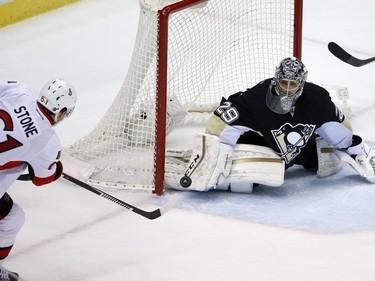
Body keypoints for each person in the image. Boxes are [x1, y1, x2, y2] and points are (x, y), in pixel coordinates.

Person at [165, 57, 375, 193]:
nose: (286, 89)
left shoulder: (317, 98)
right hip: (266, 145)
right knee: (246, 182)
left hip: (302, 148)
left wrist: (358, 150)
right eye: (283, 83)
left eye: (293, 84)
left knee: (325, 163)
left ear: (302, 84)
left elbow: (340, 129)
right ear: (276, 79)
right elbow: (222, 120)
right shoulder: (256, 99)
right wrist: (211, 154)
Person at [0, 79, 77, 280]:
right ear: (61, 112)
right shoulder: (48, 142)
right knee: (12, 219)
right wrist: (57, 168)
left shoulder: (18, 90)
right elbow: (42, 178)